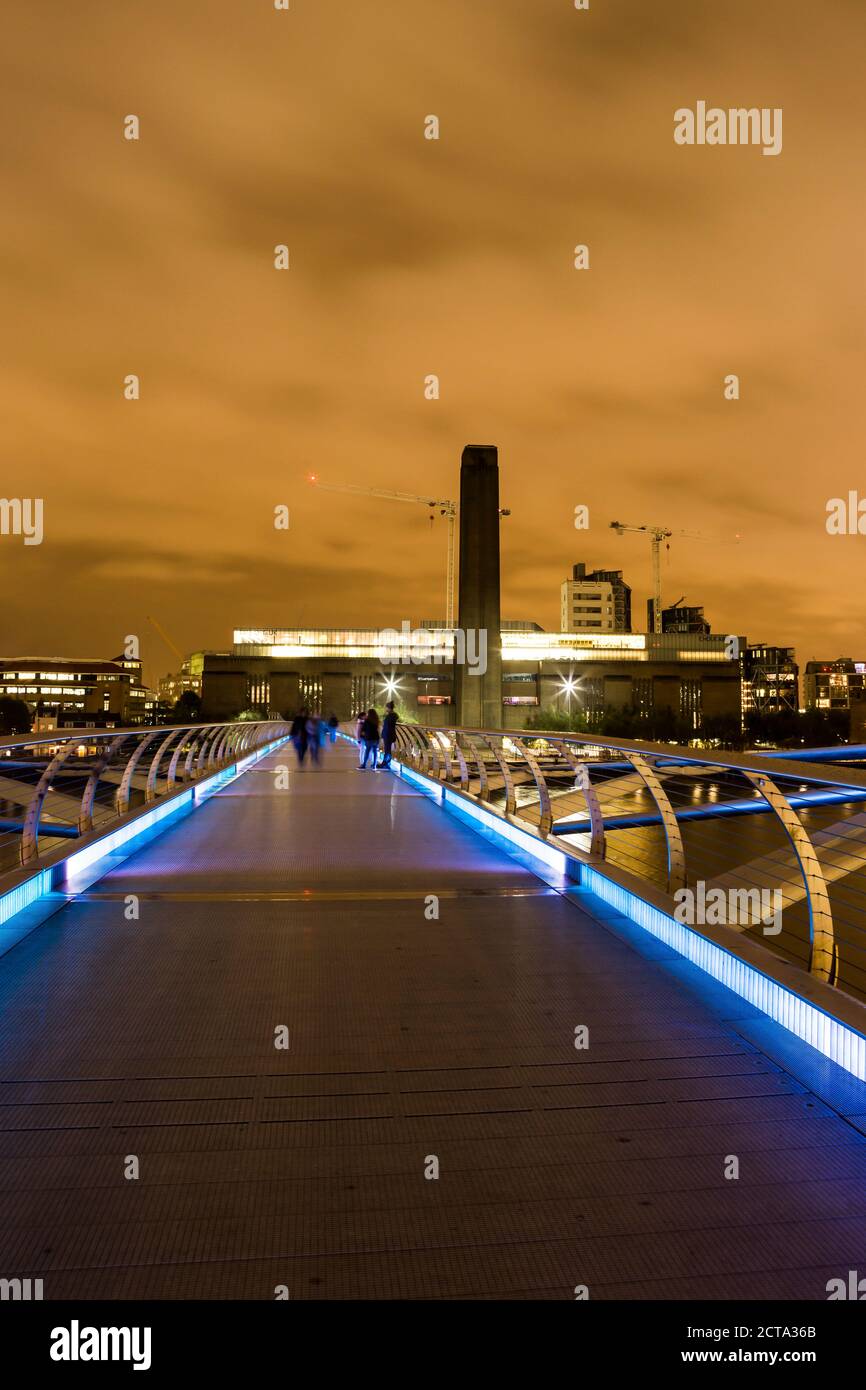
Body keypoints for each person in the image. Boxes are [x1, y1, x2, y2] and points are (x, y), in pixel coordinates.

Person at [379, 700, 398, 768]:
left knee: (387, 750)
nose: (385, 709)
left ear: (389, 708)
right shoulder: (391, 715)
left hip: (388, 735)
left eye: (386, 707)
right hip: (387, 735)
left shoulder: (392, 716)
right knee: (387, 749)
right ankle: (386, 762)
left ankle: (385, 763)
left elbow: (388, 726)